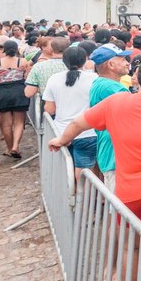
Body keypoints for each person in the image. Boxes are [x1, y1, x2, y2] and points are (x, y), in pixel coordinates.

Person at [49, 56, 141, 281]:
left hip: (131, 191)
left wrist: (60, 140)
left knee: (130, 249)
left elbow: (77, 124)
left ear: (138, 79)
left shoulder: (116, 103)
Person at [42, 47, 98, 182]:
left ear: (64, 61)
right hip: (87, 132)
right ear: (85, 59)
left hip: (61, 131)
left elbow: (49, 109)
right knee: (84, 170)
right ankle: (80, 198)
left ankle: (69, 195)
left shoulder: (54, 79)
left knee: (66, 167)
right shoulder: (94, 78)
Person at [88, 44, 131, 192]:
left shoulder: (101, 83)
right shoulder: (113, 88)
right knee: (119, 208)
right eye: (123, 59)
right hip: (115, 153)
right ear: (111, 64)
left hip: (110, 150)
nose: (127, 63)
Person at [0, 40, 31, 158]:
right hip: (19, 91)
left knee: (6, 124)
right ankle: (16, 146)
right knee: (19, 122)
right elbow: (27, 76)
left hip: (2, 92)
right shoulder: (22, 61)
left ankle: (9, 147)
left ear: (4, 49)